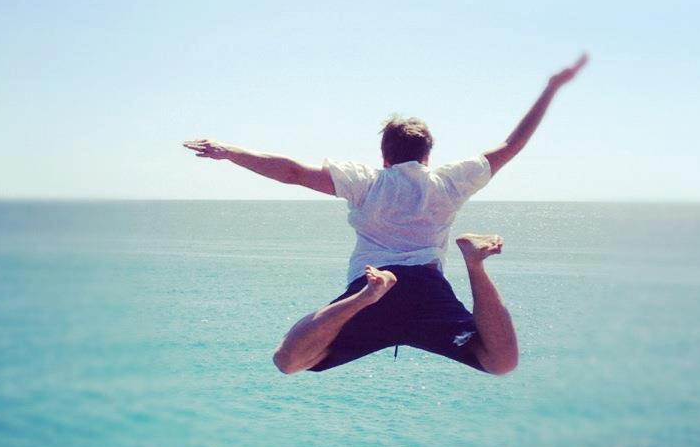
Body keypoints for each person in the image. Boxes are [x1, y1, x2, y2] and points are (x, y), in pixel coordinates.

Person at [184, 53, 587, 376]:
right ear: (428, 155)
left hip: (375, 284)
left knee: (288, 362)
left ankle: (361, 299)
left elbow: (291, 172)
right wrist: (551, 88)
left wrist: (227, 151)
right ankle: (475, 266)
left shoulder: (366, 182)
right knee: (501, 363)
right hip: (427, 289)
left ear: (384, 155)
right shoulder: (448, 182)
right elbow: (512, 144)